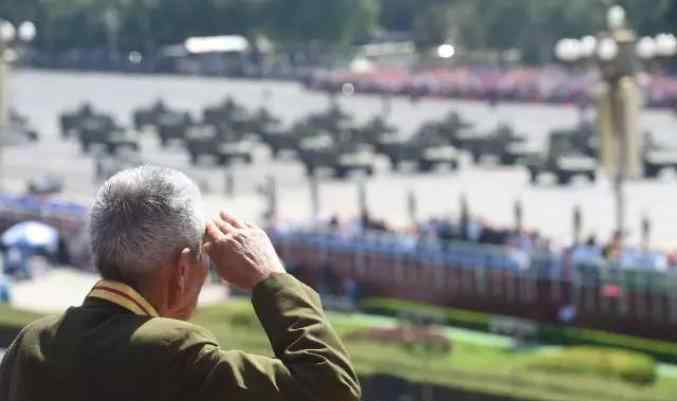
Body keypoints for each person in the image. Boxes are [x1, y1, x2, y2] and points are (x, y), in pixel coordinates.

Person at [0, 166, 360, 401]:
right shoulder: (172, 349)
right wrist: (271, 278)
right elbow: (333, 390)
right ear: (184, 269)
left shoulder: (32, 343)